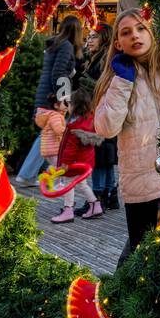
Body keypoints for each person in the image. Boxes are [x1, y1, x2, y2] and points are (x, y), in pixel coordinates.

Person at [93, 9, 160, 262]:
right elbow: (106, 128)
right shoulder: (116, 80)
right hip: (141, 186)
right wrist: (122, 82)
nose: (135, 36)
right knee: (143, 259)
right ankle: (117, 299)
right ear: (118, 44)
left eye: (141, 29)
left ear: (152, 34)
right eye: (126, 33)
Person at [15, 14, 85, 186]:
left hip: (45, 93)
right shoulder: (67, 46)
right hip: (52, 97)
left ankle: (29, 174)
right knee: (49, 135)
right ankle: (27, 175)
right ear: (76, 31)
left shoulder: (55, 45)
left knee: (46, 134)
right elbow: (59, 73)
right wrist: (63, 98)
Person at [42, 86, 104, 224]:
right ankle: (95, 205)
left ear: (75, 105)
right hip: (86, 161)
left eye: (69, 103)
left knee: (69, 185)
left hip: (74, 163)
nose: (67, 106)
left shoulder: (74, 126)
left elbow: (70, 149)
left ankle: (68, 210)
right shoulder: (89, 121)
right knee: (82, 184)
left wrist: (65, 164)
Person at [79, 23, 119, 211]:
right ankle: (110, 195)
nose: (89, 40)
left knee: (99, 155)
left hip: (102, 112)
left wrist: (86, 82)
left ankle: (96, 199)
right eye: (89, 37)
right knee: (105, 156)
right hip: (100, 111)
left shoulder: (106, 58)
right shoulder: (97, 57)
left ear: (104, 37)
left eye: (94, 36)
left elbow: (107, 86)